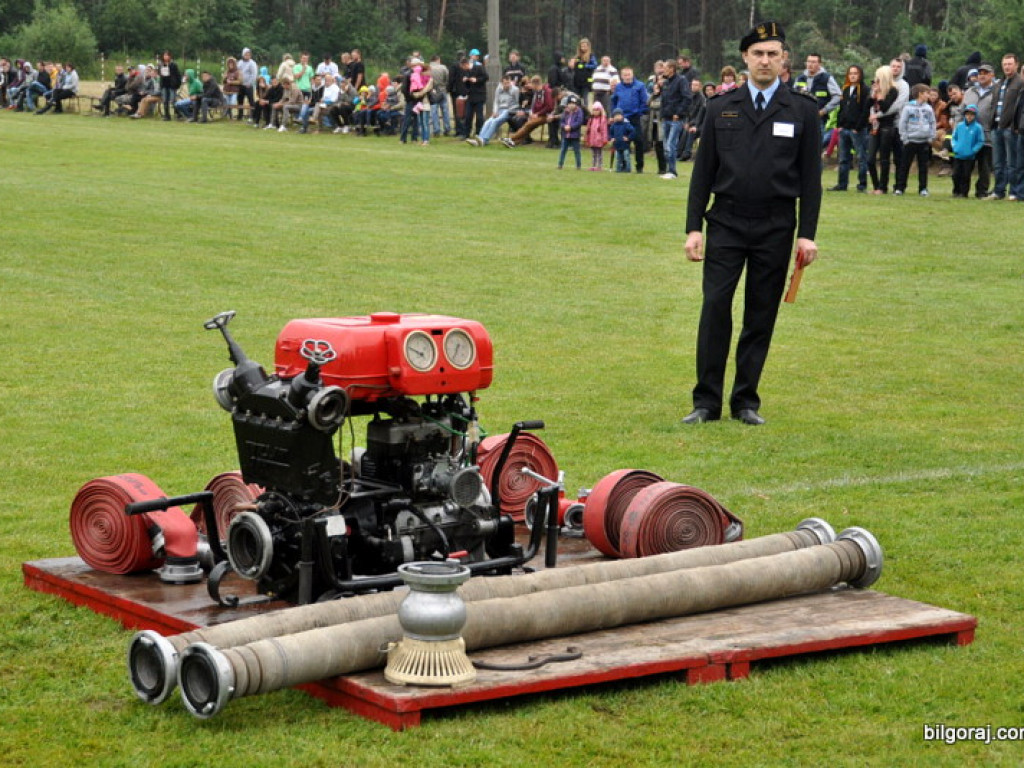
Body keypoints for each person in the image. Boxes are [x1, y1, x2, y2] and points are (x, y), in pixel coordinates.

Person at [682, 21, 821, 427]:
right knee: (715, 308)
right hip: (725, 222)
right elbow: (702, 173)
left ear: (783, 60)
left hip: (776, 226)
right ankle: (706, 402)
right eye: (758, 53)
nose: (765, 60)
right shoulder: (720, 106)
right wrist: (694, 228)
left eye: (773, 54)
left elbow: (811, 181)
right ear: (745, 58)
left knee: (760, 314)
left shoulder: (802, 109)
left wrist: (807, 234)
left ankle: (745, 401)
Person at [830, 64, 872, 192]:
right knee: (843, 158)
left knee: (861, 158)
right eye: (850, 73)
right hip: (844, 129)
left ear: (860, 75)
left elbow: (865, 111)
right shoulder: (846, 89)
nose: (853, 75)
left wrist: (858, 127)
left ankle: (862, 185)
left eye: (855, 73)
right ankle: (842, 184)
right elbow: (842, 108)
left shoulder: (865, 90)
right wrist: (839, 125)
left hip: (857, 129)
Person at [989, 54, 1022, 200]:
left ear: (1016, 65)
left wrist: (1015, 125)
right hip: (996, 126)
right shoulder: (998, 84)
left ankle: (1014, 191)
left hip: (1011, 128)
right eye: (1004, 64)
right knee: (998, 163)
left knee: (1012, 163)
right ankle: (998, 190)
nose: (1007, 67)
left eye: (1010, 64)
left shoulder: (1020, 83)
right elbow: (994, 104)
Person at [894, 83, 936, 196]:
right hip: (910, 141)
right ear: (920, 94)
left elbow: (932, 123)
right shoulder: (908, 108)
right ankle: (900, 188)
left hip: (924, 141)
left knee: (923, 166)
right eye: (927, 93)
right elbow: (902, 123)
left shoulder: (928, 108)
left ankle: (923, 188)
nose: (929, 95)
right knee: (905, 165)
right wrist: (905, 138)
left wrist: (931, 137)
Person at [963, 63, 996, 197]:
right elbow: (962, 110)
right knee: (966, 165)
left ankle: (981, 192)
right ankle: (962, 190)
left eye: (985, 73)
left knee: (984, 167)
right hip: (969, 135)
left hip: (986, 134)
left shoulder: (997, 91)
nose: (982, 76)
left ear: (992, 75)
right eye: (980, 73)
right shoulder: (970, 91)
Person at [866, 65, 899, 194]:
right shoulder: (874, 90)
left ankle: (882, 187)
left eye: (878, 78)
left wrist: (880, 97)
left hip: (887, 126)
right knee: (870, 159)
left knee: (884, 158)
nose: (876, 81)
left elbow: (885, 108)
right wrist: (872, 96)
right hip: (875, 126)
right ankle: (875, 185)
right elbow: (867, 106)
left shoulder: (892, 91)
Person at [611, 67, 648, 173]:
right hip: (621, 118)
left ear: (632, 74)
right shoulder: (618, 87)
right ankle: (622, 165)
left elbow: (644, 101)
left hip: (635, 117)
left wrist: (639, 112)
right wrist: (613, 113)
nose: (627, 77)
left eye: (629, 74)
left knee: (638, 141)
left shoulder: (640, 85)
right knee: (621, 142)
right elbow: (614, 100)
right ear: (621, 76)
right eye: (625, 75)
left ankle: (639, 166)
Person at [659, 60, 691, 179]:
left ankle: (672, 171)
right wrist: (662, 114)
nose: (663, 69)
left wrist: (679, 113)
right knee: (665, 146)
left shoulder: (681, 80)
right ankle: (669, 170)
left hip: (676, 119)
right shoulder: (666, 82)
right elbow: (664, 99)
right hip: (666, 117)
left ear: (672, 68)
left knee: (671, 145)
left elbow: (687, 98)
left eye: (666, 67)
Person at [501, 76, 554, 147]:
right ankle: (513, 143)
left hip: (547, 115)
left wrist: (537, 114)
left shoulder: (547, 91)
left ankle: (510, 138)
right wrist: (532, 114)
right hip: (538, 115)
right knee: (529, 126)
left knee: (528, 125)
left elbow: (549, 107)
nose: (530, 86)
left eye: (531, 84)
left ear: (535, 84)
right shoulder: (537, 92)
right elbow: (534, 106)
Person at [794, 53, 841, 133]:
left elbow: (838, 96)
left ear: (819, 64)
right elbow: (793, 95)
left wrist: (824, 111)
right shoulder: (800, 78)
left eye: (813, 62)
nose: (810, 64)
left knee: (817, 144)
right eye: (808, 62)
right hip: (800, 118)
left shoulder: (826, 78)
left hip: (818, 120)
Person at [467, 74, 518, 146]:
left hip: (509, 111)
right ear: (502, 83)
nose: (507, 85)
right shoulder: (499, 88)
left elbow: (516, 103)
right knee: (487, 122)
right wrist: (495, 111)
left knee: (495, 121)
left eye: (508, 83)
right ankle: (479, 140)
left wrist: (509, 110)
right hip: (500, 110)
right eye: (505, 83)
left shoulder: (515, 90)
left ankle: (484, 140)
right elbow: (496, 101)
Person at [951, 104, 985, 197]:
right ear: (965, 115)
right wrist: (955, 147)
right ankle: (956, 191)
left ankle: (964, 192)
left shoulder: (978, 127)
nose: (969, 116)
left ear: (975, 116)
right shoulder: (960, 126)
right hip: (958, 154)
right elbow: (954, 138)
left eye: (972, 115)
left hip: (969, 156)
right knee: (955, 174)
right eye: (968, 114)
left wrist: (973, 150)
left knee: (966, 175)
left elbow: (980, 141)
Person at [557, 95, 584, 169]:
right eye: (570, 103)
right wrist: (564, 126)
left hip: (575, 135)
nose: (572, 105)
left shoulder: (579, 111)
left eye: (573, 103)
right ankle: (560, 164)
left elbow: (579, 121)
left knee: (577, 151)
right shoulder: (565, 112)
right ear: (567, 104)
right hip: (565, 135)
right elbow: (562, 121)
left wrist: (571, 127)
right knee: (563, 150)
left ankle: (578, 165)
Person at [570, 38, 597, 104]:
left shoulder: (591, 56)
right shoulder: (577, 56)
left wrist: (586, 66)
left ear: (588, 47)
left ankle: (586, 112)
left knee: (585, 98)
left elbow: (595, 65)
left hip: (587, 81)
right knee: (576, 98)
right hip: (577, 80)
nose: (583, 48)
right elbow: (573, 66)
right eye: (582, 46)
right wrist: (572, 64)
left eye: (585, 46)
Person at [157, 51, 182, 121]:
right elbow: (159, 73)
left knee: (173, 101)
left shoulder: (173, 64)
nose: (165, 57)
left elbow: (178, 75)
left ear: (170, 56)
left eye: (167, 55)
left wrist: (177, 84)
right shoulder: (160, 64)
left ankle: (179, 113)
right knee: (165, 101)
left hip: (172, 85)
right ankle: (167, 116)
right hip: (164, 85)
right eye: (164, 55)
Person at [586, 101, 609, 170]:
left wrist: (604, 139)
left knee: (599, 153)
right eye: (594, 110)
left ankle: (599, 166)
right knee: (593, 153)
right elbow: (588, 130)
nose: (595, 112)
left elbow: (604, 130)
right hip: (592, 140)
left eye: (597, 110)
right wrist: (587, 139)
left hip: (599, 140)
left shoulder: (602, 120)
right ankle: (593, 165)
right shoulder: (591, 119)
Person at [238, 48, 259, 120]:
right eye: (246, 54)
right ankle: (240, 115)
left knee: (251, 101)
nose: (247, 56)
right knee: (240, 100)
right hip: (241, 85)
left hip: (248, 85)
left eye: (249, 54)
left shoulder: (252, 63)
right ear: (243, 55)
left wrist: (250, 83)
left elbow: (254, 74)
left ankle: (253, 116)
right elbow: (238, 71)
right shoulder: (240, 62)